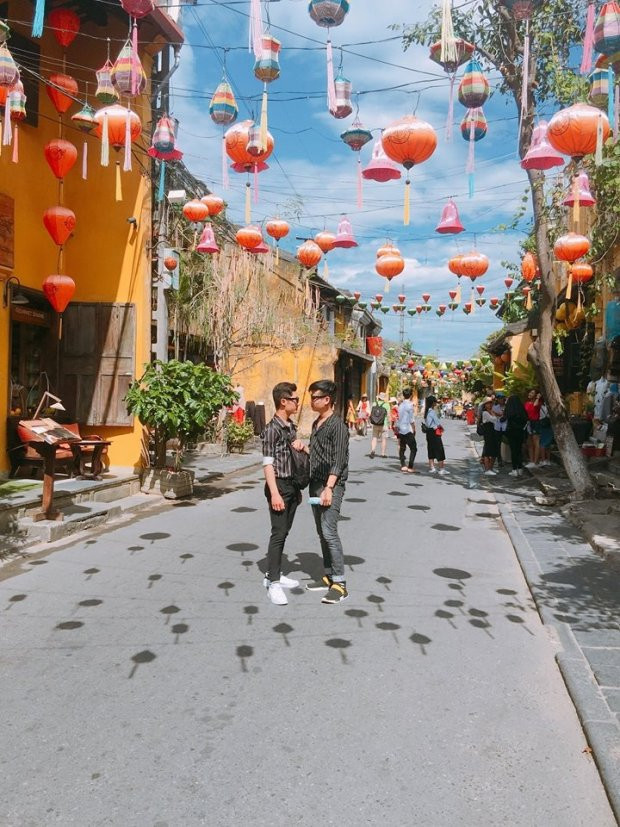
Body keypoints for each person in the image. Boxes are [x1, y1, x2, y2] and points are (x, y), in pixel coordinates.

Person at [306, 379, 350, 604]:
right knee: (321, 532)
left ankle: (340, 584)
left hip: (330, 485)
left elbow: (339, 459)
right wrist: (305, 448)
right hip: (315, 484)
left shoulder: (338, 425)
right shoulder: (317, 423)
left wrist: (329, 488)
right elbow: (319, 452)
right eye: (311, 396)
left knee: (329, 531)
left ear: (327, 399)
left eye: (315, 397)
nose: (311, 401)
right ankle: (329, 575)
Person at [261, 382, 305, 606]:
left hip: (292, 485)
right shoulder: (271, 429)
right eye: (294, 399)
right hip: (278, 486)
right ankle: (273, 583)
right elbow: (267, 464)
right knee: (278, 533)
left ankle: (274, 572)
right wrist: (275, 494)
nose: (298, 402)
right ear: (283, 401)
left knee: (285, 531)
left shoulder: (290, 426)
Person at [505, 394, 528, 477]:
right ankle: (520, 468)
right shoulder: (522, 411)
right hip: (520, 432)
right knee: (519, 450)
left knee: (513, 450)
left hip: (511, 432)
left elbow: (505, 419)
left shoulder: (509, 411)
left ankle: (514, 469)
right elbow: (526, 419)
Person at [424, 395, 446, 474]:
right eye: (435, 402)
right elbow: (437, 423)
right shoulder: (432, 412)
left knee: (430, 449)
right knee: (439, 450)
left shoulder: (426, 411)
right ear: (433, 403)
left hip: (428, 432)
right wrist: (442, 428)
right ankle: (441, 469)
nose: (436, 403)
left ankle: (432, 468)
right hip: (434, 432)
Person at [396, 387, 417, 473]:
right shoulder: (410, 405)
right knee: (414, 448)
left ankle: (403, 465)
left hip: (401, 428)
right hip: (408, 429)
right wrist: (414, 429)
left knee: (402, 447)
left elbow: (399, 417)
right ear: (411, 395)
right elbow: (411, 419)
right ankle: (410, 467)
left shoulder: (400, 405)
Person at [480, 397, 499, 475]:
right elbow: (494, 419)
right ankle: (487, 469)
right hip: (488, 433)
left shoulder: (490, 412)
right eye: (488, 403)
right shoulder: (485, 413)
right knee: (487, 451)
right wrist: (494, 414)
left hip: (492, 432)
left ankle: (491, 468)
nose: (490, 405)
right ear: (485, 405)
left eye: (491, 403)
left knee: (494, 451)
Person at [524, 388, 542, 467]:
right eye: (530, 392)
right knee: (529, 443)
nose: (530, 394)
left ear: (536, 395)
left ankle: (535, 461)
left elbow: (535, 406)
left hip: (535, 422)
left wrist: (538, 398)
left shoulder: (538, 403)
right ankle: (531, 461)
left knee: (536, 442)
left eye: (532, 393)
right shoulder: (526, 403)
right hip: (528, 423)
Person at [369, 392, 390, 458]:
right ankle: (383, 454)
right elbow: (388, 415)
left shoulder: (374, 403)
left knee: (374, 438)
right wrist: (389, 424)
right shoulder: (386, 405)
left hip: (375, 423)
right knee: (383, 439)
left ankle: (373, 450)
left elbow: (371, 413)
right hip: (384, 424)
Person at [492, 393, 507, 468]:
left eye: (502, 398)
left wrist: (500, 414)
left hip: (506, 427)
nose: (500, 400)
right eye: (499, 398)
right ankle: (499, 460)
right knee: (498, 444)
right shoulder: (495, 407)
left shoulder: (507, 407)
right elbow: (493, 415)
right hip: (497, 427)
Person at [538, 398, 553, 466]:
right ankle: (548, 460)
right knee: (548, 443)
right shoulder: (549, 406)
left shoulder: (539, 407)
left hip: (542, 425)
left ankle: (543, 460)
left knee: (542, 443)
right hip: (549, 424)